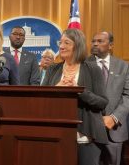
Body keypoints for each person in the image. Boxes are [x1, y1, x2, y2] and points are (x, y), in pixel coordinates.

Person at [41, 28, 108, 165]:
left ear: (77, 46)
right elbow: (41, 100)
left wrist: (79, 91)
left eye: (67, 43)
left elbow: (102, 102)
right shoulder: (53, 69)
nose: (61, 46)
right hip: (57, 134)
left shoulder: (93, 69)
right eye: (60, 42)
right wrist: (56, 89)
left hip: (86, 135)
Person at [87, 31, 129, 165]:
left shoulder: (124, 66)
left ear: (111, 45)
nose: (95, 43)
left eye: (100, 41)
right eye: (93, 41)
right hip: (88, 129)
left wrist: (114, 118)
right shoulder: (83, 64)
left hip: (114, 129)